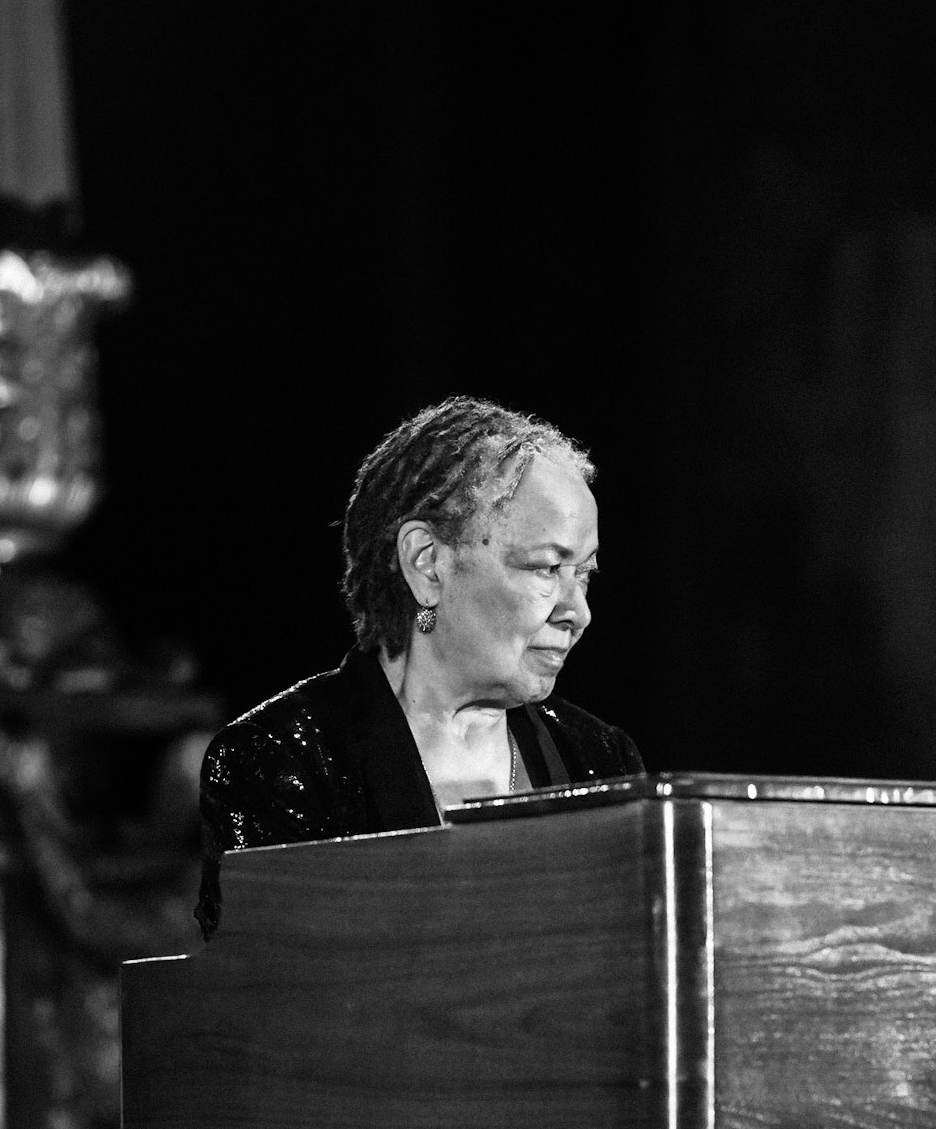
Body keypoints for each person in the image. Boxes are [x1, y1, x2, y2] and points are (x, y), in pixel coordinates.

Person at [195, 395, 645, 936]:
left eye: (586, 575)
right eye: (548, 568)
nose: (579, 613)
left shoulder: (600, 760)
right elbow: (268, 1000)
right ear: (427, 564)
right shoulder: (282, 762)